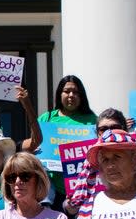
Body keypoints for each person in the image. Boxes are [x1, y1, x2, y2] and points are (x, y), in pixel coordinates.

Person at [38, 75, 98, 205]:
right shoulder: (46, 118)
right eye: (66, 91)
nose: (71, 95)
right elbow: (35, 146)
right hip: (51, 190)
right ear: (59, 94)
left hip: (82, 187)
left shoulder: (92, 120)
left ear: (81, 96)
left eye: (76, 92)